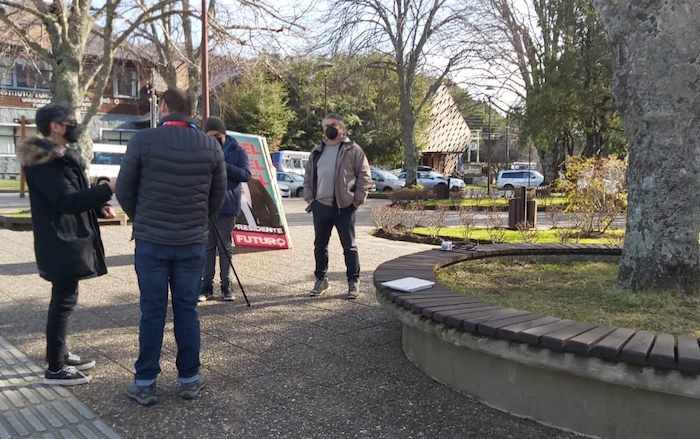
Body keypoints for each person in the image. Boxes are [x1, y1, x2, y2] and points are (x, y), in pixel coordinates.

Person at [116, 89, 226, 406]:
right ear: (191, 111)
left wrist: (142, 219)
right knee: (187, 311)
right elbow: (217, 197)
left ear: (163, 106)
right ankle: (189, 378)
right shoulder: (211, 146)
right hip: (191, 242)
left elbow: (124, 190)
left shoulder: (142, 141)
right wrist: (196, 220)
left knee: (152, 312)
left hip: (151, 242)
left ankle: (145, 382)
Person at [16, 104, 117, 386]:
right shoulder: (44, 161)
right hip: (59, 239)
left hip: (67, 237)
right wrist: (108, 188)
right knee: (63, 300)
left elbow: (76, 192)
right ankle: (55, 368)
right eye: (70, 122)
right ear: (55, 126)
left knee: (64, 297)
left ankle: (59, 354)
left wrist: (99, 206)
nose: (75, 126)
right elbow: (66, 201)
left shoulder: (62, 156)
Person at [303, 113, 372, 299]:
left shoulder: (353, 150)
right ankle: (321, 280)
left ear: (341, 129)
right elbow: (308, 176)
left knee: (349, 246)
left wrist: (357, 201)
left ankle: (353, 282)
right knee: (320, 246)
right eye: (325, 126)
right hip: (320, 206)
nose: (328, 129)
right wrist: (310, 200)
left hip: (345, 207)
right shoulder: (317, 151)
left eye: (332, 125)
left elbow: (365, 176)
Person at [199, 117, 251, 302]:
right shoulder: (201, 151)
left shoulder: (237, 151)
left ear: (224, 134)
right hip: (206, 207)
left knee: (225, 248)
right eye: (210, 136)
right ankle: (206, 286)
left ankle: (226, 286)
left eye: (217, 136)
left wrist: (222, 164)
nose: (213, 139)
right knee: (207, 247)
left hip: (227, 206)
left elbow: (246, 174)